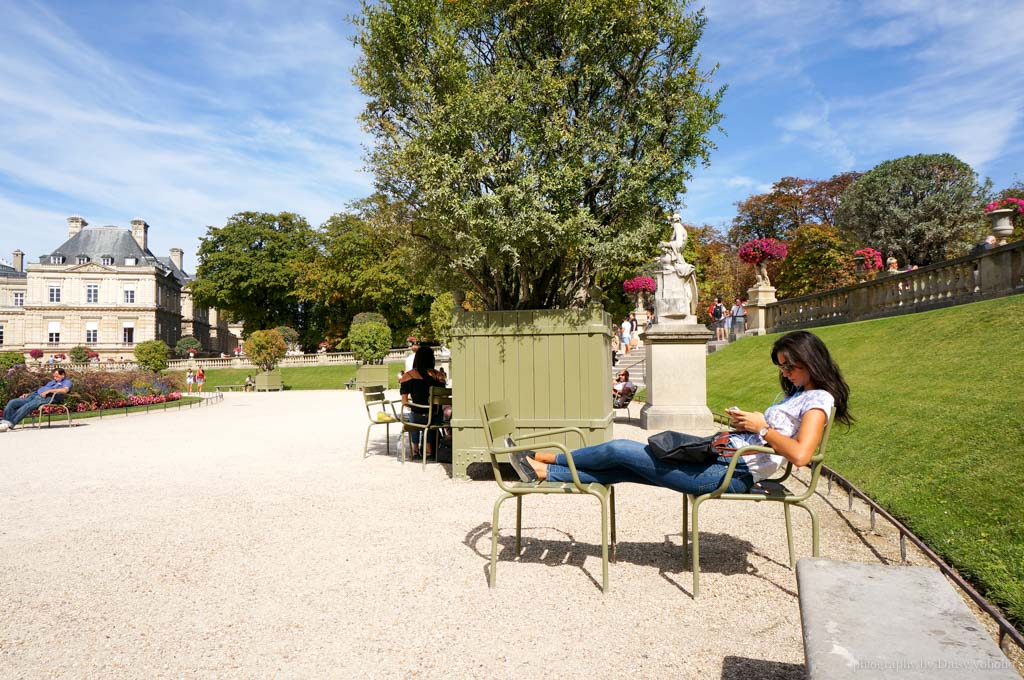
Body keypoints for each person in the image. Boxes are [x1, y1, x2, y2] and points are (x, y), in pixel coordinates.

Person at [516, 331, 852, 491]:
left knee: (621, 449)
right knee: (626, 466)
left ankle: (549, 458)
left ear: (811, 360)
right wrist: (744, 428)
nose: (785, 372)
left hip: (730, 475)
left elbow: (802, 455)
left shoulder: (818, 400)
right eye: (781, 366)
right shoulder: (796, 394)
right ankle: (547, 473)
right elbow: (771, 436)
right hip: (722, 458)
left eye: (789, 365)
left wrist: (762, 428)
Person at [399, 346, 447, 459]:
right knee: (431, 415)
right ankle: (429, 449)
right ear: (432, 359)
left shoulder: (407, 376)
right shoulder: (439, 376)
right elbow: (444, 397)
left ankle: (415, 450)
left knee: (414, 416)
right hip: (435, 417)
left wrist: (415, 403)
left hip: (417, 417)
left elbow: (405, 402)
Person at [0, 368, 73, 432]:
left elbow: (65, 390)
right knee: (12, 402)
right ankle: (5, 423)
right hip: (34, 396)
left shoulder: (67, 382)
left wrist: (49, 391)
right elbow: (40, 390)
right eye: (53, 376)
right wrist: (28, 394)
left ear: (62, 375)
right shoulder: (51, 382)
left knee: (28, 406)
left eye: (56, 376)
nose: (54, 378)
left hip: (47, 398)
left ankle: (10, 423)